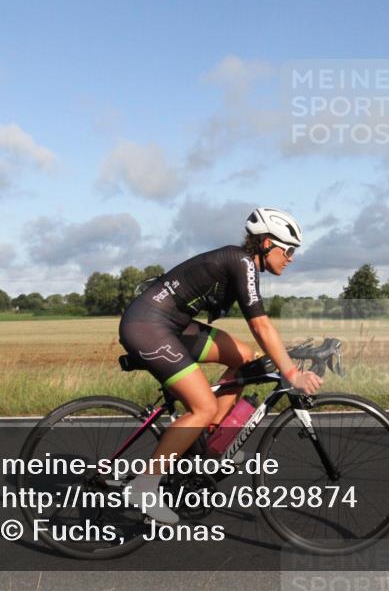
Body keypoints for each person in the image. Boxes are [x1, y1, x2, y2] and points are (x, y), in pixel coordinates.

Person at [118, 207, 322, 523]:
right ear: (267, 243)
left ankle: (210, 447)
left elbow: (260, 336)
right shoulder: (241, 262)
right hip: (148, 326)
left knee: (244, 358)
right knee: (202, 407)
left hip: (171, 324)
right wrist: (291, 373)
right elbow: (261, 326)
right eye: (288, 249)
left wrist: (286, 356)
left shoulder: (244, 265)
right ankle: (145, 486)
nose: (291, 257)